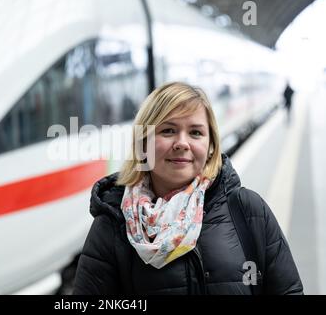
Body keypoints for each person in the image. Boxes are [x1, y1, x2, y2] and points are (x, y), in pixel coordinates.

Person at [73, 82, 303, 295]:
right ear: (143, 142)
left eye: (195, 132)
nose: (182, 143)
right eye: (168, 131)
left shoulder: (248, 210)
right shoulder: (112, 225)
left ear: (210, 145)